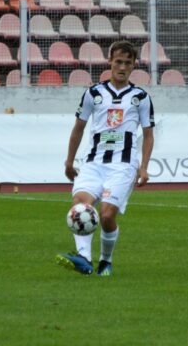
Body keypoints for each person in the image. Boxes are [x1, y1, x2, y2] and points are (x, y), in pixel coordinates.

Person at [56, 40, 155, 276]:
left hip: (123, 165)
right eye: (118, 62)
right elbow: (78, 128)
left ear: (133, 67)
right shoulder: (93, 93)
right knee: (80, 206)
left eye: (128, 63)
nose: (122, 67)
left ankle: (105, 261)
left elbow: (149, 135)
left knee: (107, 214)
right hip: (93, 163)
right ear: (109, 61)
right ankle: (84, 259)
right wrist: (69, 162)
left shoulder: (140, 97)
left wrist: (144, 167)